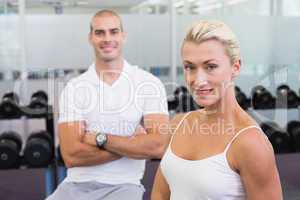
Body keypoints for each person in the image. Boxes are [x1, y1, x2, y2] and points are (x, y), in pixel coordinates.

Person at [151, 20, 282, 200]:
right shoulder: (179, 124)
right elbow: (160, 194)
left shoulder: (250, 143)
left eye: (210, 67)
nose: (198, 80)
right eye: (190, 67)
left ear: (235, 67)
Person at [46, 9, 169, 200]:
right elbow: (71, 156)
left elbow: (157, 146)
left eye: (113, 31)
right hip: (75, 184)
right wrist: (131, 143)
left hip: (124, 186)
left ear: (123, 36)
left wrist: (99, 138)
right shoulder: (75, 87)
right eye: (99, 32)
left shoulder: (149, 83)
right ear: (90, 38)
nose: (107, 38)